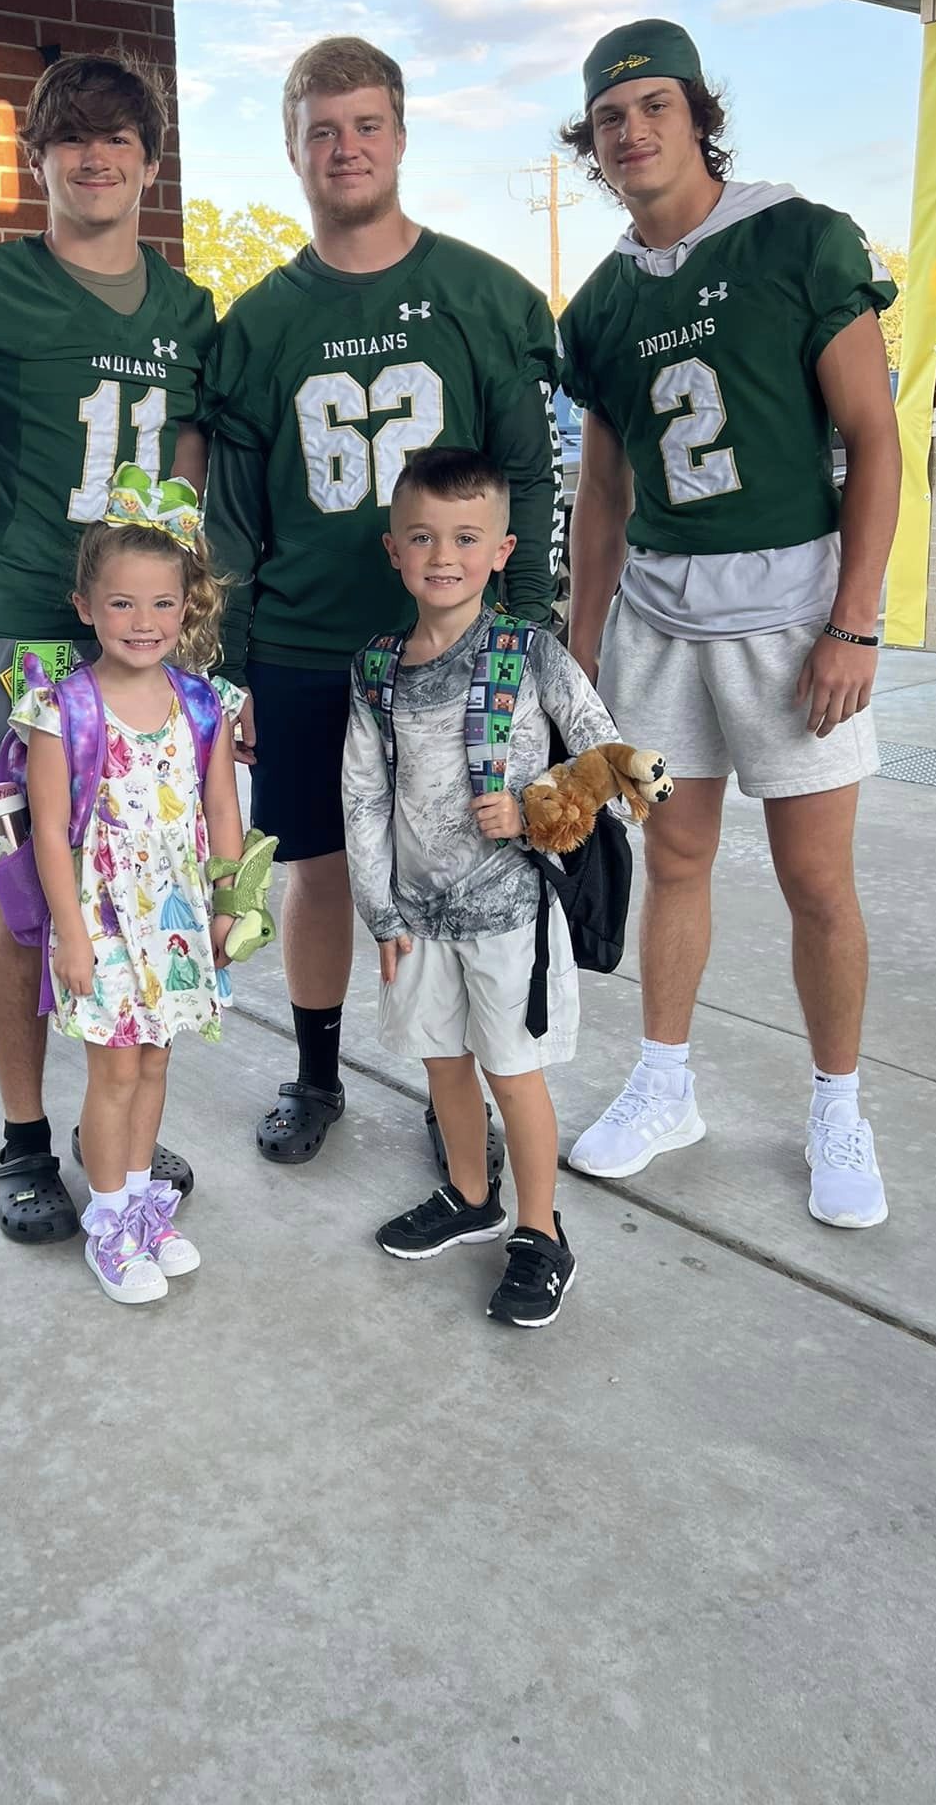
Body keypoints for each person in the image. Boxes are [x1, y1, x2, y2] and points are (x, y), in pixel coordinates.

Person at [558, 18, 901, 1228]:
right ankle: (666, 1083)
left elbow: (872, 436)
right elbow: (602, 488)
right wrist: (580, 644)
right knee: (677, 856)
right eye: (609, 117)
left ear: (698, 112)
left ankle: (837, 1104)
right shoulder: (600, 300)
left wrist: (854, 623)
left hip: (792, 607)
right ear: (590, 144)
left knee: (816, 877)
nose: (632, 130)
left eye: (653, 104)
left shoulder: (799, 238)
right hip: (659, 613)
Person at [204, 36, 564, 1168]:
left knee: (462, 866)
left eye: (365, 124)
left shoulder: (479, 296)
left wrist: (534, 625)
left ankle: (452, 1087)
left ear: (402, 136)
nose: (344, 147)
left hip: (454, 648)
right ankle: (316, 1074)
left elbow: (531, 472)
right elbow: (230, 521)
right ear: (292, 148)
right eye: (322, 128)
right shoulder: (257, 323)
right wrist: (236, 660)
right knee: (315, 864)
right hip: (310, 642)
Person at [0, 54, 217, 1245]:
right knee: (24, 901)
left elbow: (190, 479)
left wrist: (189, 643)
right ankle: (22, 1134)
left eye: (118, 141)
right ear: (38, 160)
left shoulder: (188, 308)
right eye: (72, 140)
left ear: (151, 165)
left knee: (146, 882)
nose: (96, 160)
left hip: (146, 645)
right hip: (28, 639)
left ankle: (123, 1125)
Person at [341, 450, 623, 1325]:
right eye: (423, 537)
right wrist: (378, 907)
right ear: (394, 550)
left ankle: (541, 1232)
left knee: (513, 1073)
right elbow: (362, 792)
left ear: (502, 549)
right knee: (444, 1066)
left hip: (511, 919)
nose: (443, 555)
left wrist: (540, 810)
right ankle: (471, 1194)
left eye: (466, 537)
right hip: (418, 919)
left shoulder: (530, 652)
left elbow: (609, 758)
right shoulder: (378, 668)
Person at [15, 468, 245, 1305]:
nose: (142, 622)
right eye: (121, 604)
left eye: (160, 603)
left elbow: (222, 811)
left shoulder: (204, 703)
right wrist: (70, 937)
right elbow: (49, 832)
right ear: (85, 605)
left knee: (155, 1062)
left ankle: (145, 1200)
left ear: (188, 606)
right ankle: (107, 1222)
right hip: (105, 921)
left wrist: (230, 905)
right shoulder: (61, 711)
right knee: (112, 1074)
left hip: (177, 918)